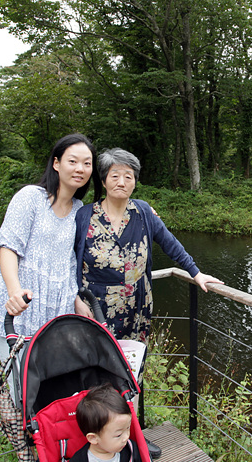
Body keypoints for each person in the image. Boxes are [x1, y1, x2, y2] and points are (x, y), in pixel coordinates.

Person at [0, 134, 95, 400]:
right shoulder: (31, 197)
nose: (80, 168)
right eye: (73, 161)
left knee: (52, 387)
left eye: (87, 163)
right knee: (21, 389)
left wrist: (76, 299)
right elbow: (8, 248)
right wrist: (14, 292)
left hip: (54, 310)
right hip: (21, 308)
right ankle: (22, 428)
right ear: (56, 163)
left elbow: (68, 262)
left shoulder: (79, 209)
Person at [74, 147, 222, 344]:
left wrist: (196, 272)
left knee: (132, 359)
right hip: (95, 308)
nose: (121, 182)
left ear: (135, 182)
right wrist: (75, 298)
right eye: (114, 176)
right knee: (95, 358)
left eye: (128, 177)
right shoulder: (84, 217)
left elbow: (170, 244)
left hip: (137, 308)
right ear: (103, 180)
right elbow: (68, 262)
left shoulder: (143, 213)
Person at [61, 383, 160, 462]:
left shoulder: (130, 450)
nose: (126, 437)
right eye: (118, 435)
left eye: (127, 428)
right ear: (93, 438)